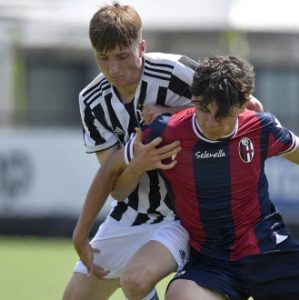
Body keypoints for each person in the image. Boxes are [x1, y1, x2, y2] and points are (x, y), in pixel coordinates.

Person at [86, 55, 299, 300]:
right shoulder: (166, 131)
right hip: (211, 262)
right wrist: (82, 231)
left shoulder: (261, 127)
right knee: (179, 295)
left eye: (221, 114)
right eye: (203, 109)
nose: (210, 121)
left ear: (242, 105)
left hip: (270, 251)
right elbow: (111, 169)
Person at [62, 3, 264, 300]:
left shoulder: (174, 71)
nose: (113, 69)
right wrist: (138, 165)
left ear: (141, 46)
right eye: (103, 58)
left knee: (136, 280)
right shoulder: (91, 100)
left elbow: (247, 106)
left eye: (122, 56)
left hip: (189, 214)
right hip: (135, 211)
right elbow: (117, 188)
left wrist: (170, 113)